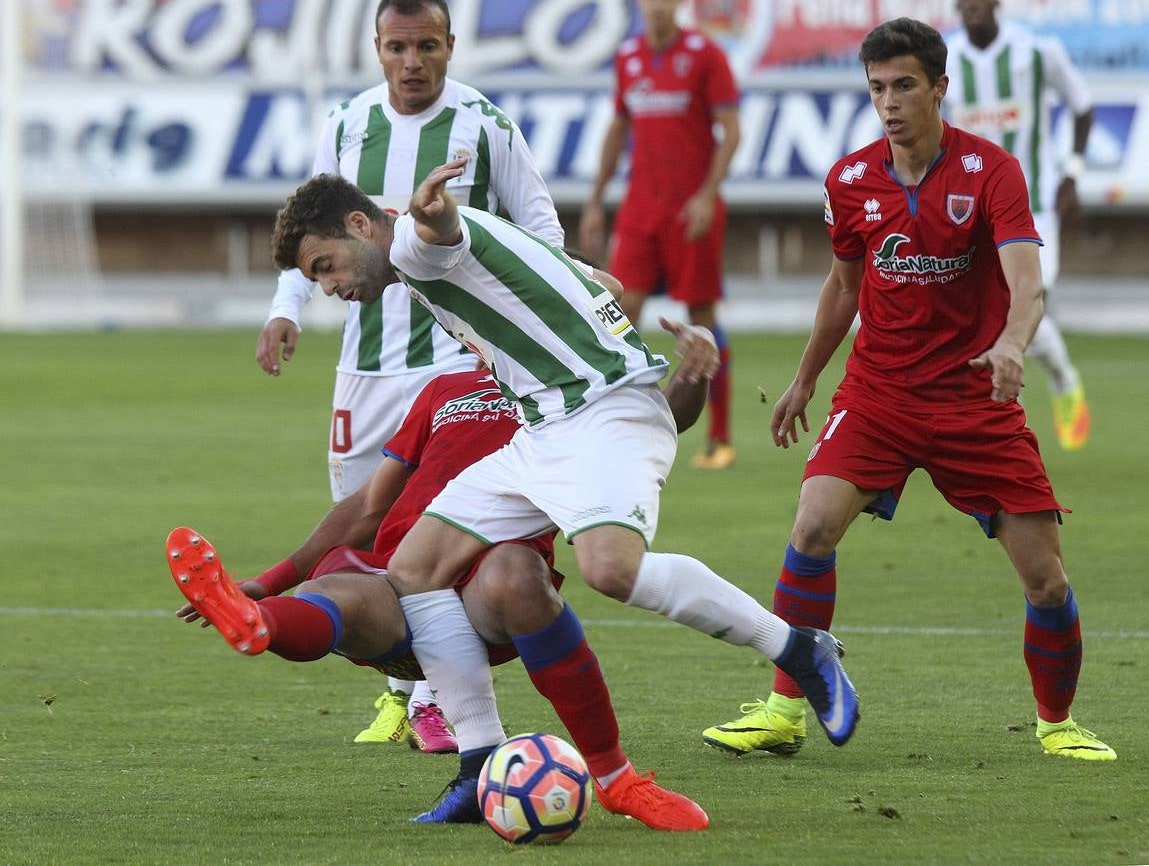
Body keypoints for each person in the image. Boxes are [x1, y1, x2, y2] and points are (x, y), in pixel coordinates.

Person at [269, 164, 861, 803]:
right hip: (543, 427)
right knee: (414, 569)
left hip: (605, 412)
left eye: (325, 265)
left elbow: (437, 232)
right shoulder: (430, 266)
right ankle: (479, 765)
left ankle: (799, 649)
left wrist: (432, 214)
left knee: (611, 571)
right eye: (315, 279)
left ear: (361, 224)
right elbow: (599, 280)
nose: (328, 286)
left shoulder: (414, 245)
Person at [702, 18, 1115, 762]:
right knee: (811, 527)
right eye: (876, 89)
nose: (888, 103)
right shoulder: (849, 181)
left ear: (937, 88)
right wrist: (804, 378)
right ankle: (784, 709)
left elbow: (1027, 283)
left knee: (1047, 581)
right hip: (879, 394)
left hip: (973, 401)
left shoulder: (992, 171)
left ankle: (1056, 724)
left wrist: (1011, 347)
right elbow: (841, 286)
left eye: (903, 86)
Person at [169, 321, 721, 829]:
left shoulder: (578, 399)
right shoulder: (444, 389)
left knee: (514, 570)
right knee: (333, 592)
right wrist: (267, 582)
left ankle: (615, 779)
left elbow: (667, 418)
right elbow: (369, 506)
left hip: (491, 596)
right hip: (405, 581)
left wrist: (693, 374)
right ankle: (256, 619)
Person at [255, 0, 564, 750]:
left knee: (430, 531)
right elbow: (313, 220)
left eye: (427, 45)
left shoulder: (484, 126)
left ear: (449, 46)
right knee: (356, 535)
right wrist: (286, 307)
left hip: (450, 365)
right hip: (364, 363)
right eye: (397, 47)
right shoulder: (350, 122)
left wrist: (529, 320)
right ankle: (402, 688)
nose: (412, 61)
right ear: (378, 49)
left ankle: (434, 696)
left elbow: (539, 227)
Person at [578, 0, 741, 470]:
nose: (658, 4)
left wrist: (706, 195)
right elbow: (618, 127)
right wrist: (595, 198)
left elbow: (731, 130)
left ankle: (718, 436)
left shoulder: (705, 55)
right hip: (640, 209)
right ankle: (614, 422)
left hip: (691, 210)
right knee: (619, 313)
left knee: (702, 319)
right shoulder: (628, 58)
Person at [945, 0, 1094, 451]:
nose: (971, 2)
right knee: (997, 313)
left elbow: (1082, 104)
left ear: (995, 0)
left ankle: (1063, 380)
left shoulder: (1036, 52)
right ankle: (1016, 419)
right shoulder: (944, 62)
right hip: (971, 213)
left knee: (1026, 304)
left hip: (1033, 208)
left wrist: (1071, 173)